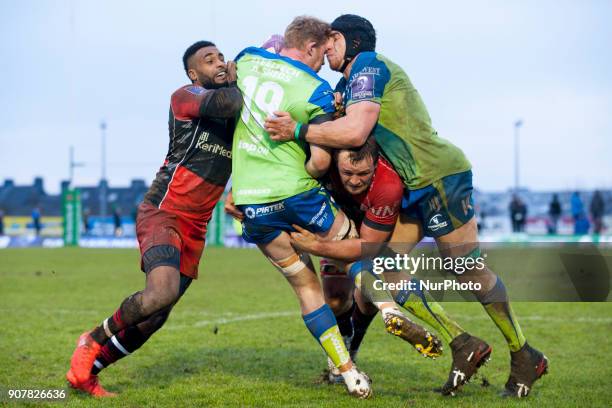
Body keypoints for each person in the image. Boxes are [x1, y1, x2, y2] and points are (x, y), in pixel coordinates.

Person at [264, 14, 547, 398]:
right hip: (411, 187)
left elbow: (355, 132)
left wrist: (296, 130)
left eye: (330, 41)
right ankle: (462, 343)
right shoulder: (348, 83)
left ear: (346, 39)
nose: (325, 49)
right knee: (378, 271)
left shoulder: (367, 65)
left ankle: (524, 353)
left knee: (465, 269)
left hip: (437, 176)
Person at [66, 40, 242, 397]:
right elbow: (229, 100)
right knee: (161, 292)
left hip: (196, 225)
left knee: (157, 316)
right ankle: (91, 339)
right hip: (165, 209)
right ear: (194, 73)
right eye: (210, 60)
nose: (220, 63)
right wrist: (241, 78)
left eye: (222, 57)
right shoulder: (186, 95)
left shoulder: (234, 111)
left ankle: (88, 373)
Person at [229, 17, 378, 398]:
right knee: (354, 250)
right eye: (323, 52)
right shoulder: (315, 89)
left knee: (305, 287)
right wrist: (306, 168)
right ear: (311, 47)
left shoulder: (246, 61)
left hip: (252, 204)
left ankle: (347, 373)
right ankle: (391, 311)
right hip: (297, 194)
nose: (324, 59)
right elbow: (321, 163)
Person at [290, 138, 490, 393]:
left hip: (371, 229)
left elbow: (367, 245)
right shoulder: (319, 160)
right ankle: (352, 350)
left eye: (363, 173)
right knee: (337, 300)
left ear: (376, 163)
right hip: (335, 223)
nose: (353, 181)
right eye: (347, 173)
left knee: (384, 270)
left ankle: (350, 356)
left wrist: (316, 247)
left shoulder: (388, 184)